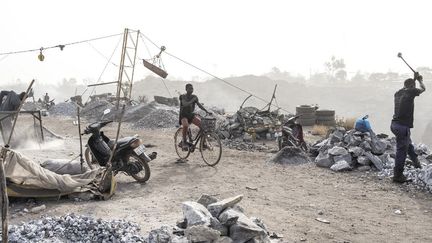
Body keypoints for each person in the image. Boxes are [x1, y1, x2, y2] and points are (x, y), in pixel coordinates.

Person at [391, 72, 426, 183]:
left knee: (408, 143)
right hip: (402, 126)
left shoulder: (398, 93)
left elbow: (408, 88)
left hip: (394, 125)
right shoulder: (411, 91)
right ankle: (398, 176)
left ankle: (417, 164)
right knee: (402, 150)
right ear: (412, 86)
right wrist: (420, 80)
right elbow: (423, 88)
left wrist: (414, 79)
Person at [179, 83, 211, 150]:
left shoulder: (194, 97)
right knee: (185, 125)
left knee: (202, 125)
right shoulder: (182, 96)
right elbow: (185, 104)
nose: (191, 90)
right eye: (189, 88)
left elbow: (199, 105)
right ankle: (183, 142)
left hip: (191, 115)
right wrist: (192, 100)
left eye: (192, 88)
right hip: (183, 115)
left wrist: (206, 111)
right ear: (186, 89)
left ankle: (203, 143)